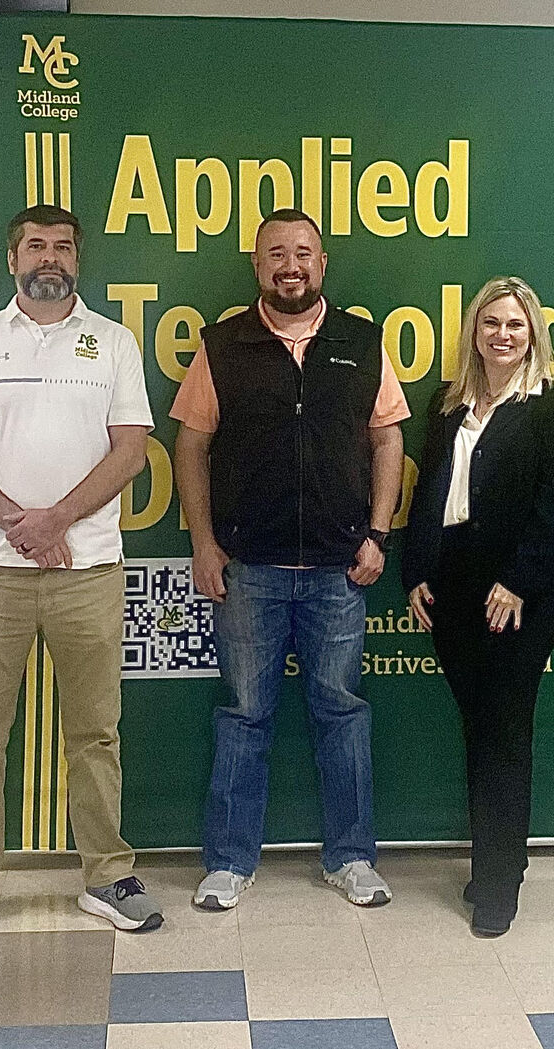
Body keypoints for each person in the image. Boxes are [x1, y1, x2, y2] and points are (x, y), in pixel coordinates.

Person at [0, 204, 160, 936]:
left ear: (77, 260)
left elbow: (130, 449)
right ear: (12, 259)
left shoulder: (114, 342)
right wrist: (19, 526)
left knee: (95, 730)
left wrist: (56, 519)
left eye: (63, 246)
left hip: (87, 567)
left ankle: (107, 875)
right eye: (36, 246)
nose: (50, 258)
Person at [171, 208, 409, 910]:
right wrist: (203, 542)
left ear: (323, 262)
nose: (290, 265)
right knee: (245, 714)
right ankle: (230, 860)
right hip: (249, 569)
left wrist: (378, 534)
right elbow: (189, 447)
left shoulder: (362, 342)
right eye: (276, 252)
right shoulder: (222, 345)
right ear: (257, 265)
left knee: (341, 711)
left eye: (303, 251)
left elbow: (388, 439)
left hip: (341, 568)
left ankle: (353, 856)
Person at [402, 276, 554, 936]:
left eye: (516, 324)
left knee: (505, 733)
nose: (503, 334)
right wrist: (415, 569)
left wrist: (519, 580)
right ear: (473, 333)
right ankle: (489, 864)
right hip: (450, 585)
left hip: (518, 593)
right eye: (491, 323)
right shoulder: (445, 406)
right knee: (479, 730)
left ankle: (501, 882)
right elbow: (429, 495)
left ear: (533, 333)